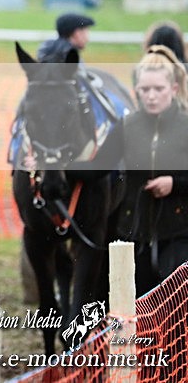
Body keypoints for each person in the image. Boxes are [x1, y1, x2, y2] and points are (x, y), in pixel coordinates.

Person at [70, 46, 188, 295]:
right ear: (136, 91)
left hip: (179, 234)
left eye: (158, 89)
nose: (151, 96)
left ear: (174, 89)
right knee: (137, 305)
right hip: (135, 234)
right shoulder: (127, 126)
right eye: (145, 89)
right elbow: (96, 168)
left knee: (175, 306)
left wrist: (174, 183)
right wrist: (54, 167)